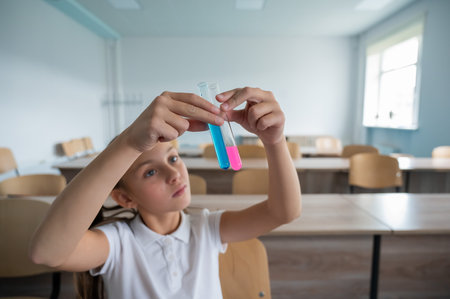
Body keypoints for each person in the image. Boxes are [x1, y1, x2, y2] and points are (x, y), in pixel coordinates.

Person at [30, 87, 302, 299]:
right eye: (150, 172)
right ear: (125, 198)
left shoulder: (206, 228)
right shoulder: (117, 245)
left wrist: (274, 141)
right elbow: (47, 253)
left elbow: (283, 211)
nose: (174, 175)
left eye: (173, 159)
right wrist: (128, 143)